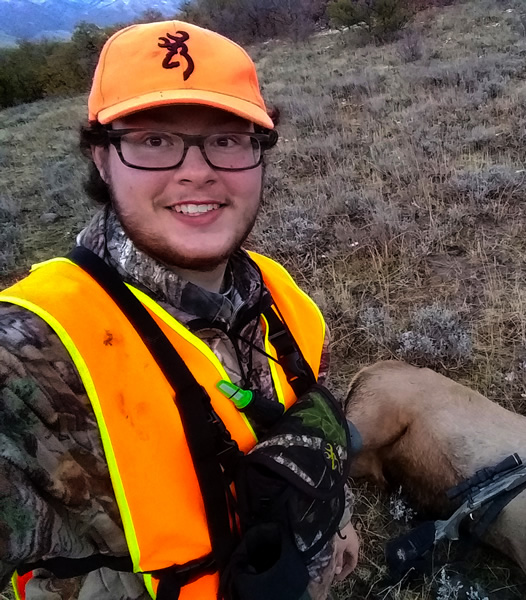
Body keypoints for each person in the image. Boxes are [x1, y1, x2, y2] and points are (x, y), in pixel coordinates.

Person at [0, 20, 358, 600]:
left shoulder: (281, 295)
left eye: (226, 138)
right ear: (101, 158)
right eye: (154, 141)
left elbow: (307, 433)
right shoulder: (29, 359)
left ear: (258, 155)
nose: (197, 170)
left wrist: (335, 522)